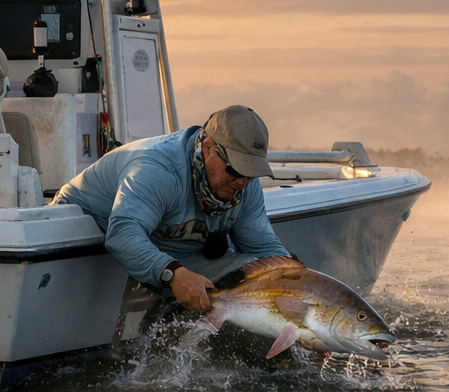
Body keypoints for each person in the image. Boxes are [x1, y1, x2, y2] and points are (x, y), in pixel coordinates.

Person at [52, 105, 291, 312]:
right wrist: (174, 274)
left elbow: (262, 246)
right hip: (90, 235)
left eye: (251, 172)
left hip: (172, 248)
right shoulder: (157, 170)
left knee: (257, 276)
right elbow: (122, 235)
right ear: (208, 147)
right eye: (236, 169)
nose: (243, 182)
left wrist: (297, 278)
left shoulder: (244, 183)